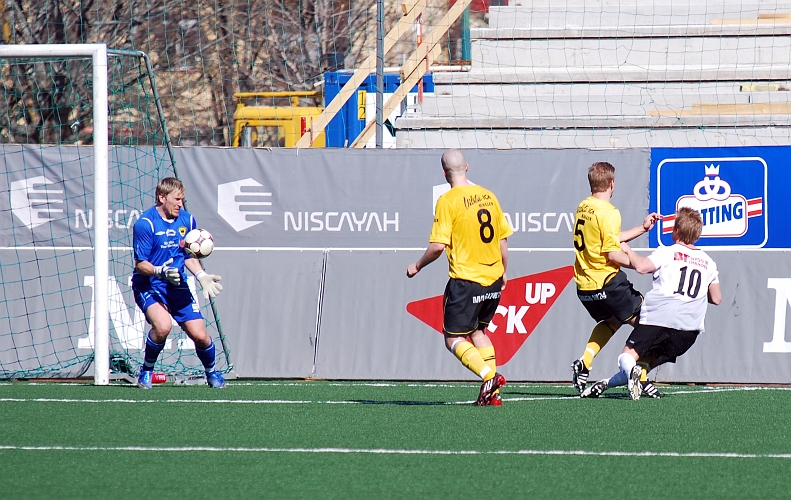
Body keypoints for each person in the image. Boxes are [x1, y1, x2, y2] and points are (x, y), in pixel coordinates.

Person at [407, 149, 513, 406]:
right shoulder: (489, 196)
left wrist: (417, 265)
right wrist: (505, 272)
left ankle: (490, 377)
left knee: (453, 338)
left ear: (444, 173)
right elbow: (503, 240)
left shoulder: (448, 200)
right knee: (478, 332)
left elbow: (438, 246)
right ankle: (493, 395)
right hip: (493, 277)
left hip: (467, 280)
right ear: (467, 167)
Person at [581, 207, 721, 399]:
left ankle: (635, 376)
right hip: (689, 331)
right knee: (642, 364)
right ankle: (609, 383)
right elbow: (716, 299)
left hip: (660, 318)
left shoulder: (667, 252)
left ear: (677, 231)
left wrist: (627, 249)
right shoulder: (709, 263)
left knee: (626, 357)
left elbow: (641, 266)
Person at [571, 161, 661, 394]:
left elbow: (607, 239)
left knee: (611, 321)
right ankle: (640, 375)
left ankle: (584, 362)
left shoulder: (584, 206)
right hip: (607, 282)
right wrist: (640, 264)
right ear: (612, 183)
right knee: (649, 321)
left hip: (585, 286)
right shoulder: (610, 212)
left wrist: (642, 229)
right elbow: (612, 252)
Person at [132, 177, 226, 389]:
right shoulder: (145, 224)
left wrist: (201, 276)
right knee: (163, 327)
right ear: (161, 197)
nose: (180, 204)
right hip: (149, 285)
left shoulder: (187, 220)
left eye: (182, 199)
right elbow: (140, 265)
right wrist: (161, 272)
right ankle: (146, 371)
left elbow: (189, 255)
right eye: (176, 199)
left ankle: (211, 373)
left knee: (200, 335)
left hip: (177, 285)